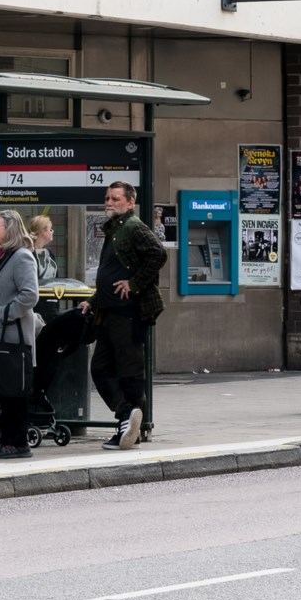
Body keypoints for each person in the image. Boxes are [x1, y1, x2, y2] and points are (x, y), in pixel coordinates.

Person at [92, 180, 166, 448]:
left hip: (128, 313)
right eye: (107, 198)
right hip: (109, 312)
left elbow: (157, 254)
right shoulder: (116, 229)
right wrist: (93, 299)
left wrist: (133, 284)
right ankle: (126, 414)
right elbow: (112, 271)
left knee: (129, 371)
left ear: (130, 202)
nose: (109, 203)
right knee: (100, 368)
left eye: (115, 198)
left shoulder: (134, 227)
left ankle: (131, 428)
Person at [0, 211, 40, 458]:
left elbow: (30, 295)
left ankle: (18, 443)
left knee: (15, 392)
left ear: (10, 228)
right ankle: (6, 440)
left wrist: (3, 314)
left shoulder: (22, 257)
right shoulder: (2, 257)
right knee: (4, 391)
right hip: (0, 337)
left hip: (13, 337)